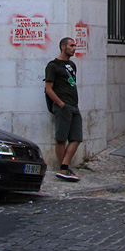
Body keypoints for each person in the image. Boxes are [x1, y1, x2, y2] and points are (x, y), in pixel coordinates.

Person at [44, 38, 81, 181]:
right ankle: (63, 169)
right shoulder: (53, 66)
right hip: (63, 106)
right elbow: (49, 89)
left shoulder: (72, 65)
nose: (74, 48)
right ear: (63, 47)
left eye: (75, 46)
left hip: (74, 105)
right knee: (61, 138)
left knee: (76, 137)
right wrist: (60, 104)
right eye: (71, 46)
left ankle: (64, 166)